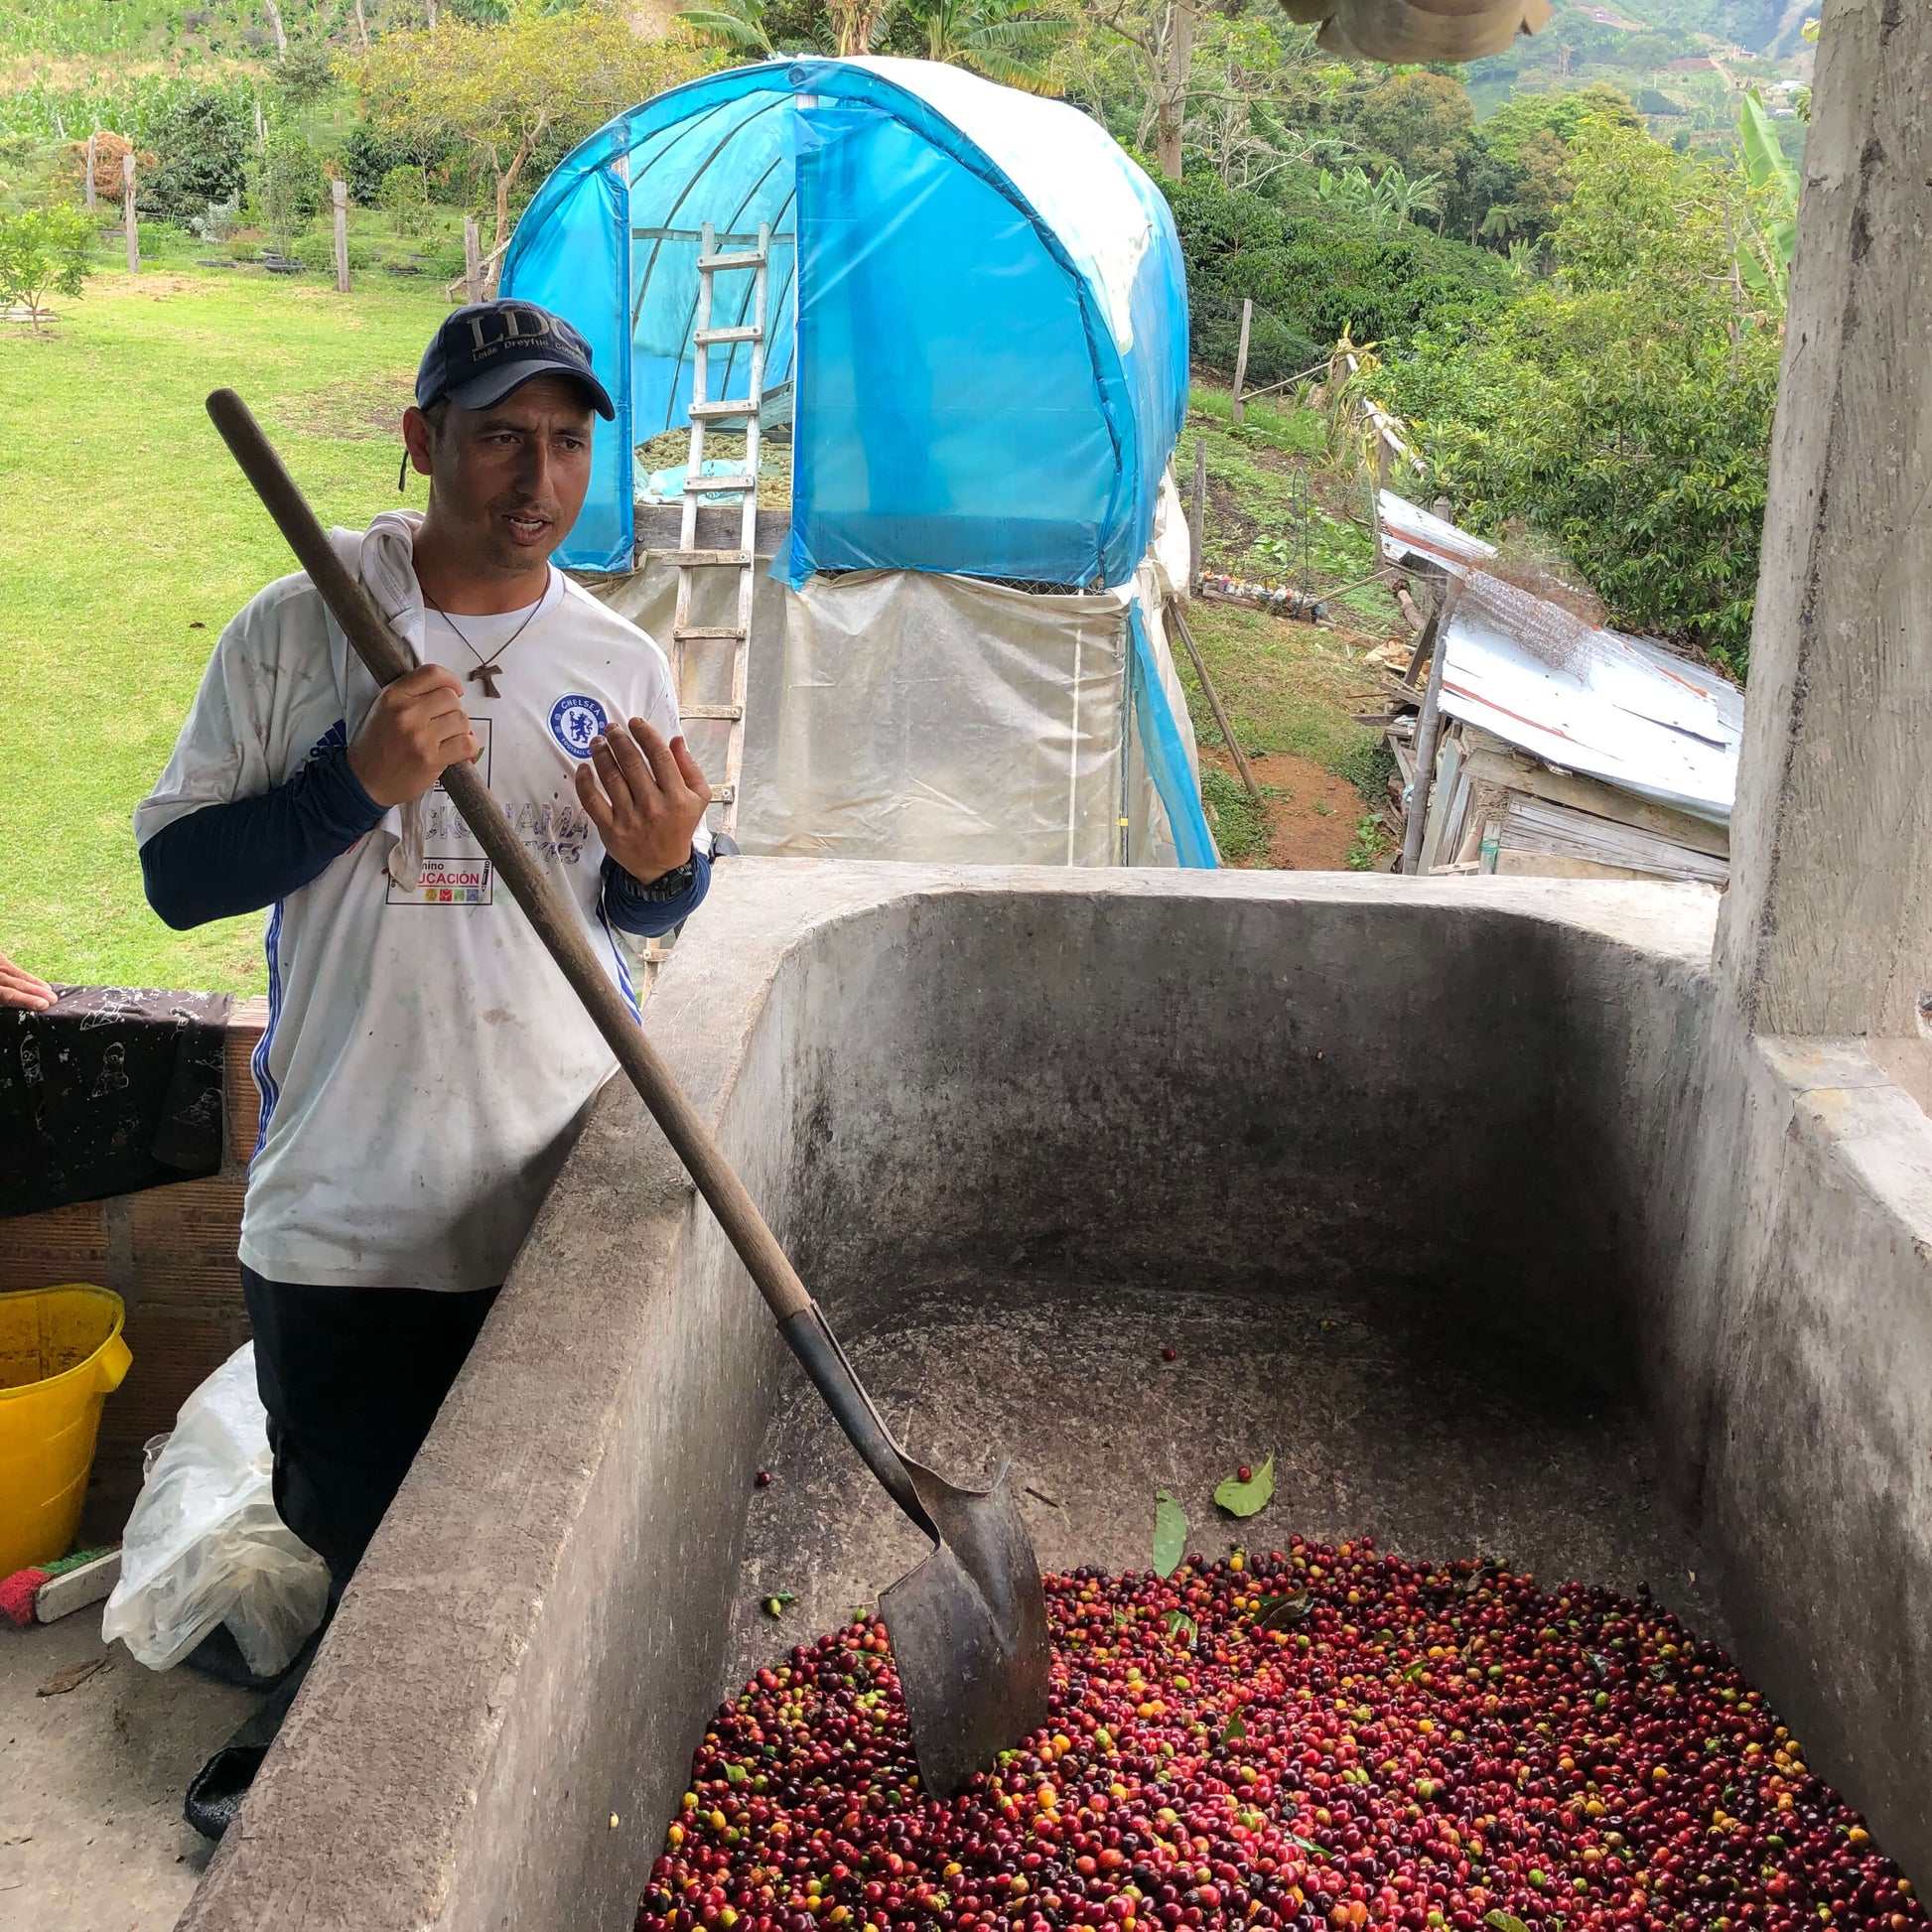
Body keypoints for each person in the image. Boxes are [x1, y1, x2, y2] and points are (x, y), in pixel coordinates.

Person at [135, 300, 714, 1834]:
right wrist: (354, 783)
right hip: (344, 1202)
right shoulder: (296, 626)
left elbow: (645, 893)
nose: (538, 477)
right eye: (500, 436)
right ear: (422, 442)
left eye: (567, 442)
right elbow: (179, 879)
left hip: (545, 1191)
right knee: (364, 1537)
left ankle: (486, 1801)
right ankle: (345, 1786)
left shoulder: (616, 655)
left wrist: (665, 873)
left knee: (522, 1549)